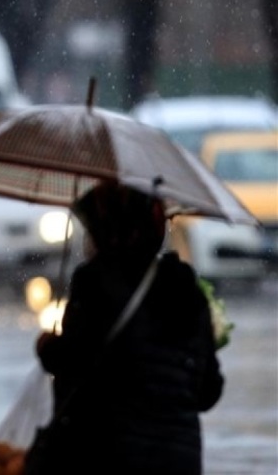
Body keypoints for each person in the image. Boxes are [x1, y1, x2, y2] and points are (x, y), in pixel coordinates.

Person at [32, 182, 224, 474]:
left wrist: (47, 346)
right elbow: (208, 392)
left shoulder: (94, 281)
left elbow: (73, 362)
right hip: (177, 460)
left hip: (107, 453)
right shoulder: (187, 289)